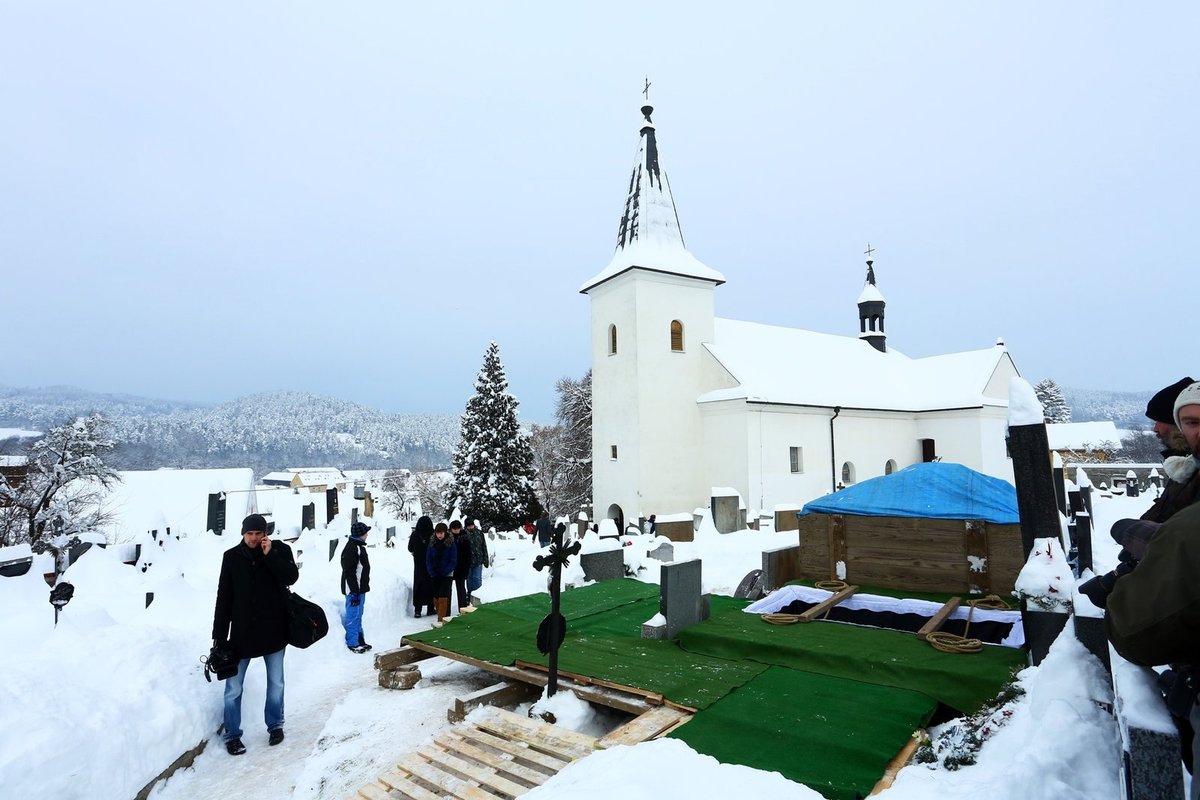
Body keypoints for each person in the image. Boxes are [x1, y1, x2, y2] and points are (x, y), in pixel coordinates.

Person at [212, 513, 299, 756]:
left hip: (273, 631)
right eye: (249, 533)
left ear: (265, 534)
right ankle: (232, 734)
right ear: (243, 533)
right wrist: (219, 638)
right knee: (233, 688)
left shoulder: (278, 550)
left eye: (257, 533)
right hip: (242, 635)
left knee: (276, 683)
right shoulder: (231, 557)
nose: (253, 538)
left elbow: (291, 577)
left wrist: (269, 555)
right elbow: (224, 598)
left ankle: (275, 725)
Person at [340, 521, 372, 653]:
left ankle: (360, 640)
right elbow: (350, 572)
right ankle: (352, 643)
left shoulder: (359, 546)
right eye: (365, 533)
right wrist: (354, 591)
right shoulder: (352, 549)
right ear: (360, 535)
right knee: (353, 615)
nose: (367, 535)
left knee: (359, 614)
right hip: (353, 590)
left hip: (360, 588)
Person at [425, 522, 457, 627]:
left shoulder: (451, 543)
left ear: (445, 532)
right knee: (436, 596)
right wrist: (432, 572)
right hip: (434, 573)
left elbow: (453, 560)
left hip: (446, 574)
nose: (439, 535)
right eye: (437, 533)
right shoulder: (432, 543)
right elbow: (428, 559)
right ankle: (440, 614)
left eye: (441, 533)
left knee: (444, 595)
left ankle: (442, 617)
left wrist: (444, 572)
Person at [407, 516, 435, 618]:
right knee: (431, 586)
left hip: (418, 565)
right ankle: (430, 608)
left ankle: (417, 610)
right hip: (431, 564)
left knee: (418, 586)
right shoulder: (433, 535)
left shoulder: (415, 534)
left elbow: (410, 548)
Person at [463, 517, 489, 608]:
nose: (470, 527)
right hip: (468, 561)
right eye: (468, 526)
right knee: (469, 580)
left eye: (471, 525)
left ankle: (478, 595)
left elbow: (483, 546)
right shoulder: (464, 534)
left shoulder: (479, 533)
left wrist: (486, 559)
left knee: (477, 579)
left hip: (478, 560)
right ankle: (469, 596)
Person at [449, 519, 473, 614]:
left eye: (457, 529)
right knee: (447, 590)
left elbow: (468, 554)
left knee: (461, 589)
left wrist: (466, 568)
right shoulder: (448, 538)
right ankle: (446, 611)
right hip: (449, 567)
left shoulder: (464, 538)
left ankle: (462, 609)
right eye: (454, 529)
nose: (455, 531)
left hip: (461, 567)